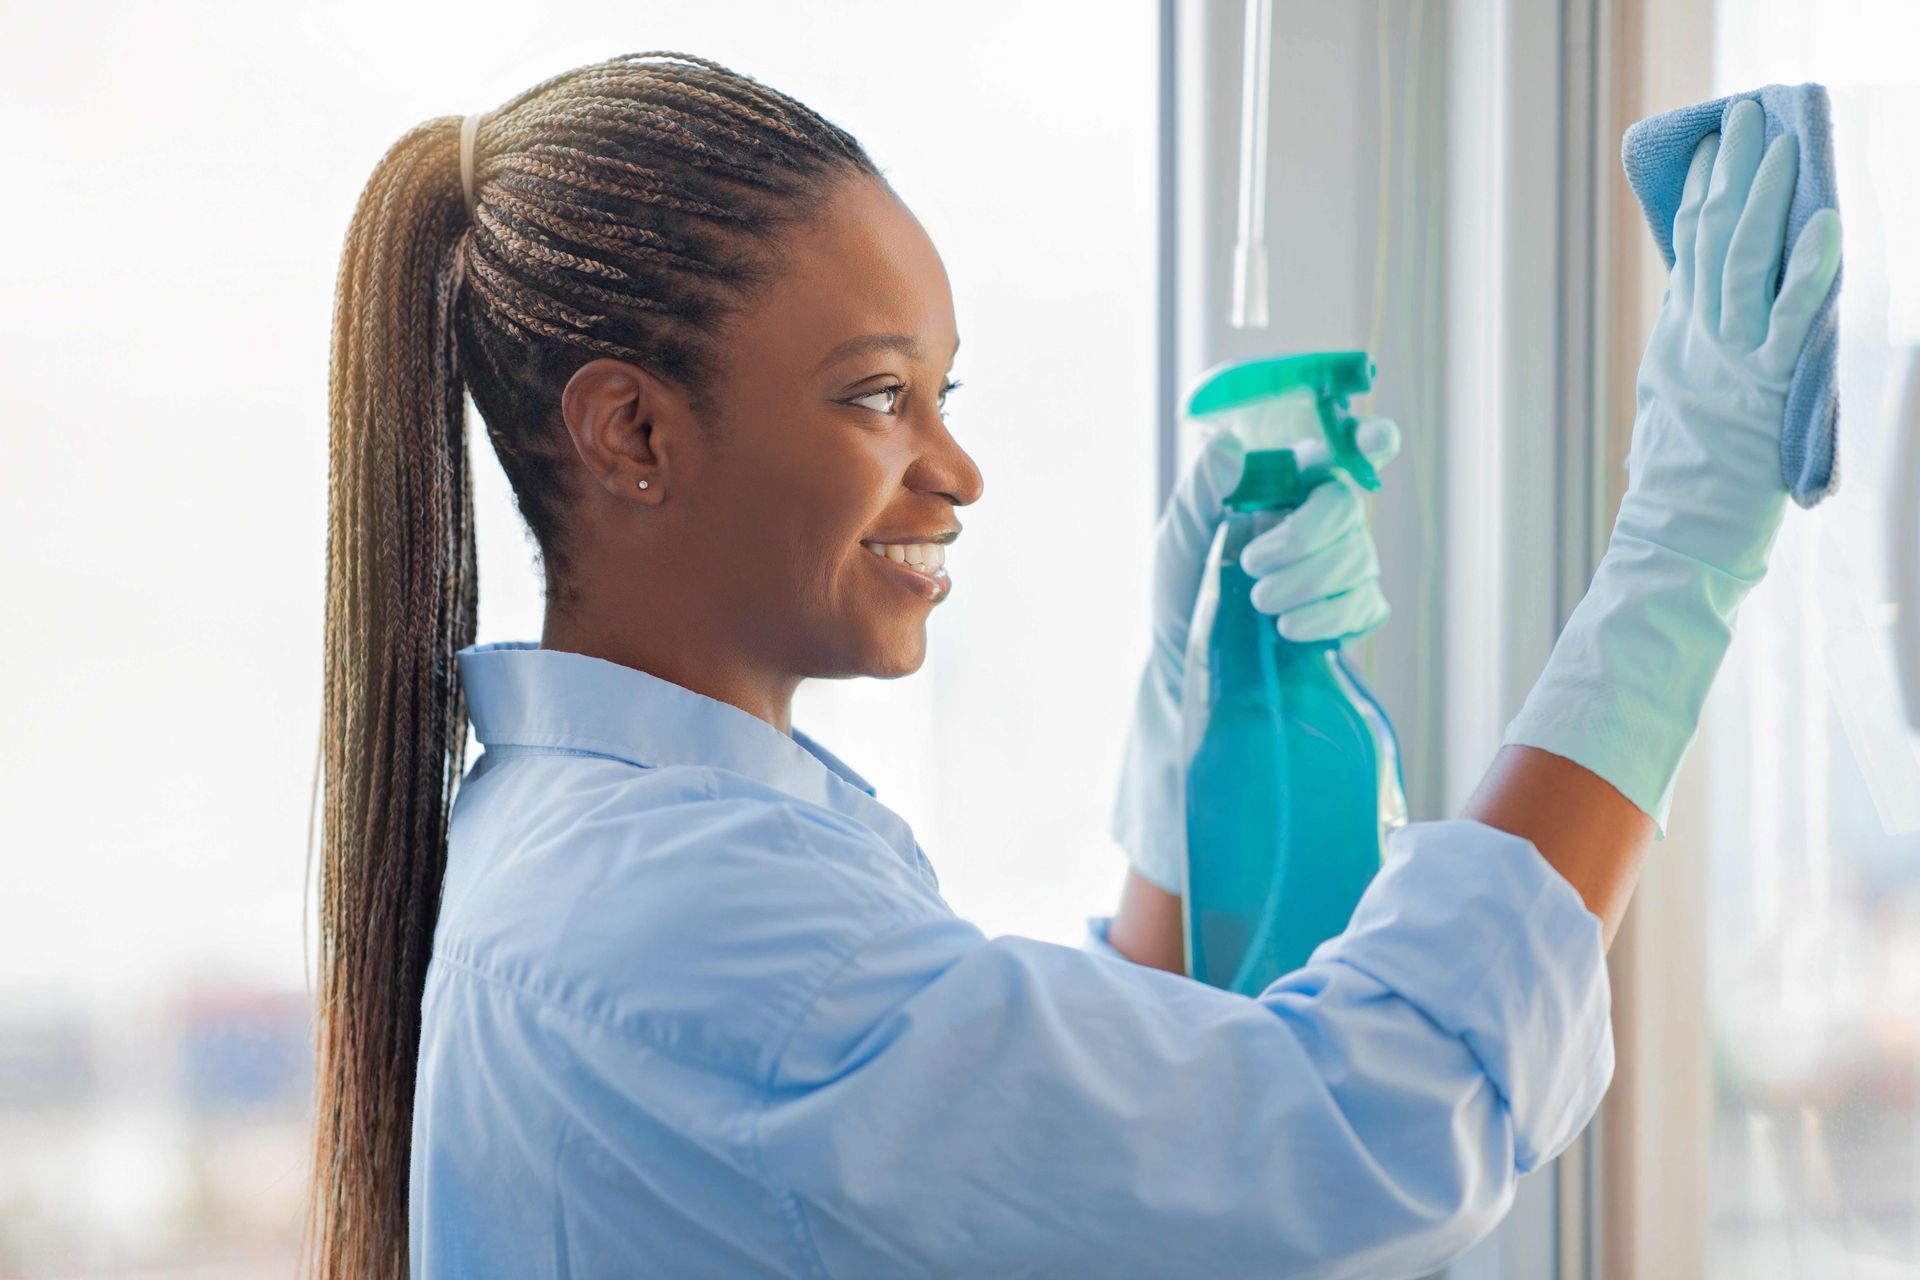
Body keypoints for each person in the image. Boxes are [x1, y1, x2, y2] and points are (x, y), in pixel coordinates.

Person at [308, 52, 1841, 1279]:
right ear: (633, 432)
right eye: (877, 397)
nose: (956, 468)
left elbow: (1053, 1173)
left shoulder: (611, 848)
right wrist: (1678, 559)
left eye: (943, 391)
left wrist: (1189, 749)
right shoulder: (696, 926)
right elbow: (1359, 1141)